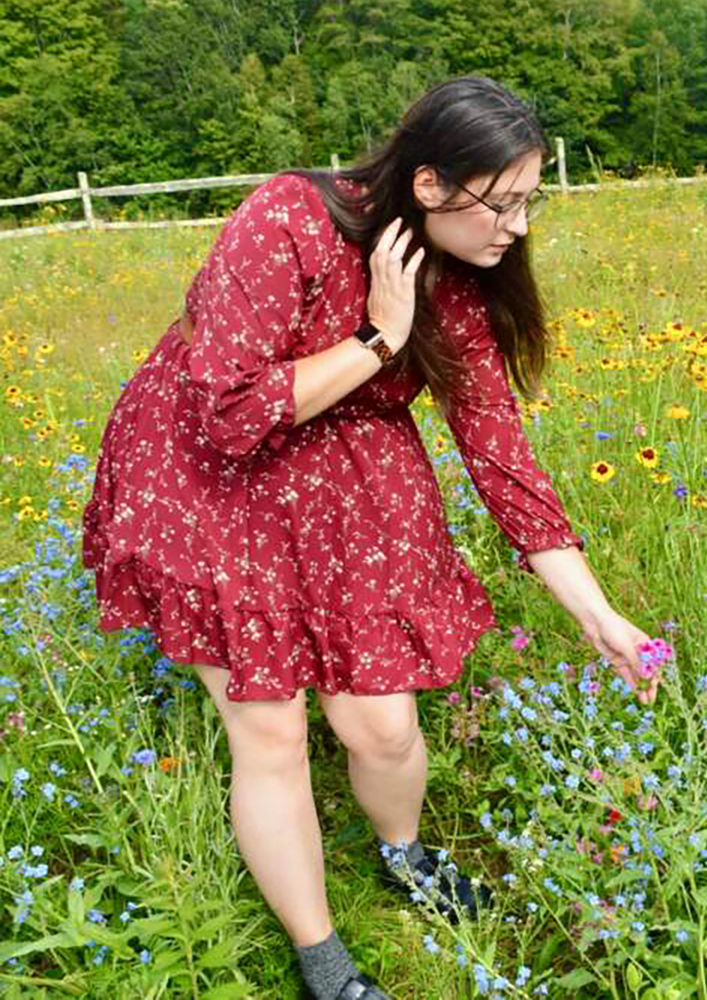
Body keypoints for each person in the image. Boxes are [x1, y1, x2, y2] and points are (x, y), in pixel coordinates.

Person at [81, 75, 660, 1000]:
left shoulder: (463, 283)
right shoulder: (287, 219)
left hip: (348, 472)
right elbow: (227, 412)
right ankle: (326, 967)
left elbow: (501, 459)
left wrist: (598, 614)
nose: (518, 226)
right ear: (430, 185)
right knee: (267, 729)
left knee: (381, 726)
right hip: (210, 474)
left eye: (529, 199)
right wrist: (380, 341)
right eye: (501, 202)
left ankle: (404, 854)